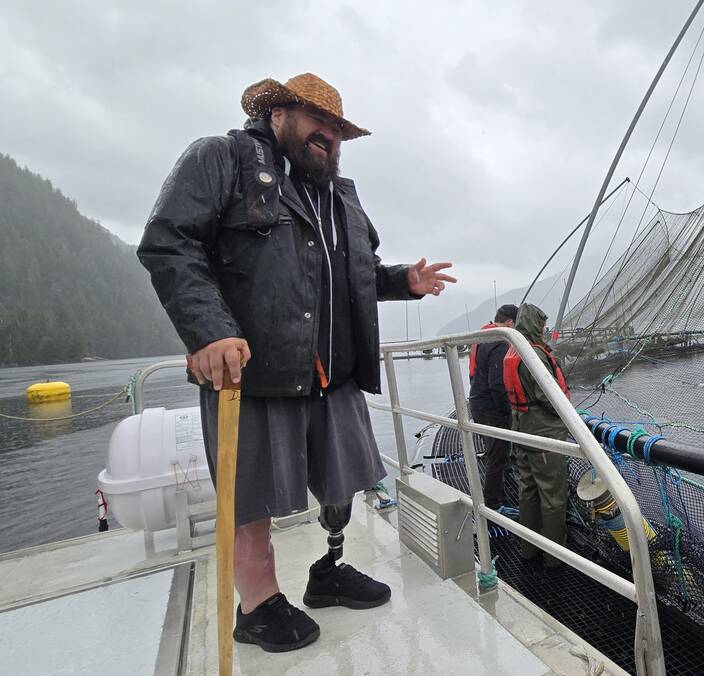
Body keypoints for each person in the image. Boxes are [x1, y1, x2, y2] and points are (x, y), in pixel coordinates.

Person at [137, 73, 456, 653]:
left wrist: (403, 283)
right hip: (253, 373)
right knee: (252, 497)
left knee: (347, 481)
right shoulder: (223, 158)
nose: (329, 136)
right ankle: (257, 607)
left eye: (337, 129)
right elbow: (168, 241)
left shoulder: (341, 197)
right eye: (317, 120)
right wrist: (210, 332)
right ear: (278, 112)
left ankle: (328, 573)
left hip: (333, 375)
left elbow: (353, 276)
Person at [501, 303, 571, 569]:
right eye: (542, 324)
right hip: (543, 431)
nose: (545, 328)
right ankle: (555, 557)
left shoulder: (513, 350)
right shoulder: (535, 357)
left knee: (528, 488)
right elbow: (549, 397)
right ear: (534, 325)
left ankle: (529, 548)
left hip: (521, 427)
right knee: (552, 495)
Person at [468, 303, 519, 509]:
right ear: (509, 323)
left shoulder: (483, 337)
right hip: (491, 408)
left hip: (477, 402)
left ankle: (502, 495)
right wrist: (508, 411)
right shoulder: (499, 341)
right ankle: (493, 505)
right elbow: (497, 383)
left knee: (496, 454)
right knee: (497, 456)